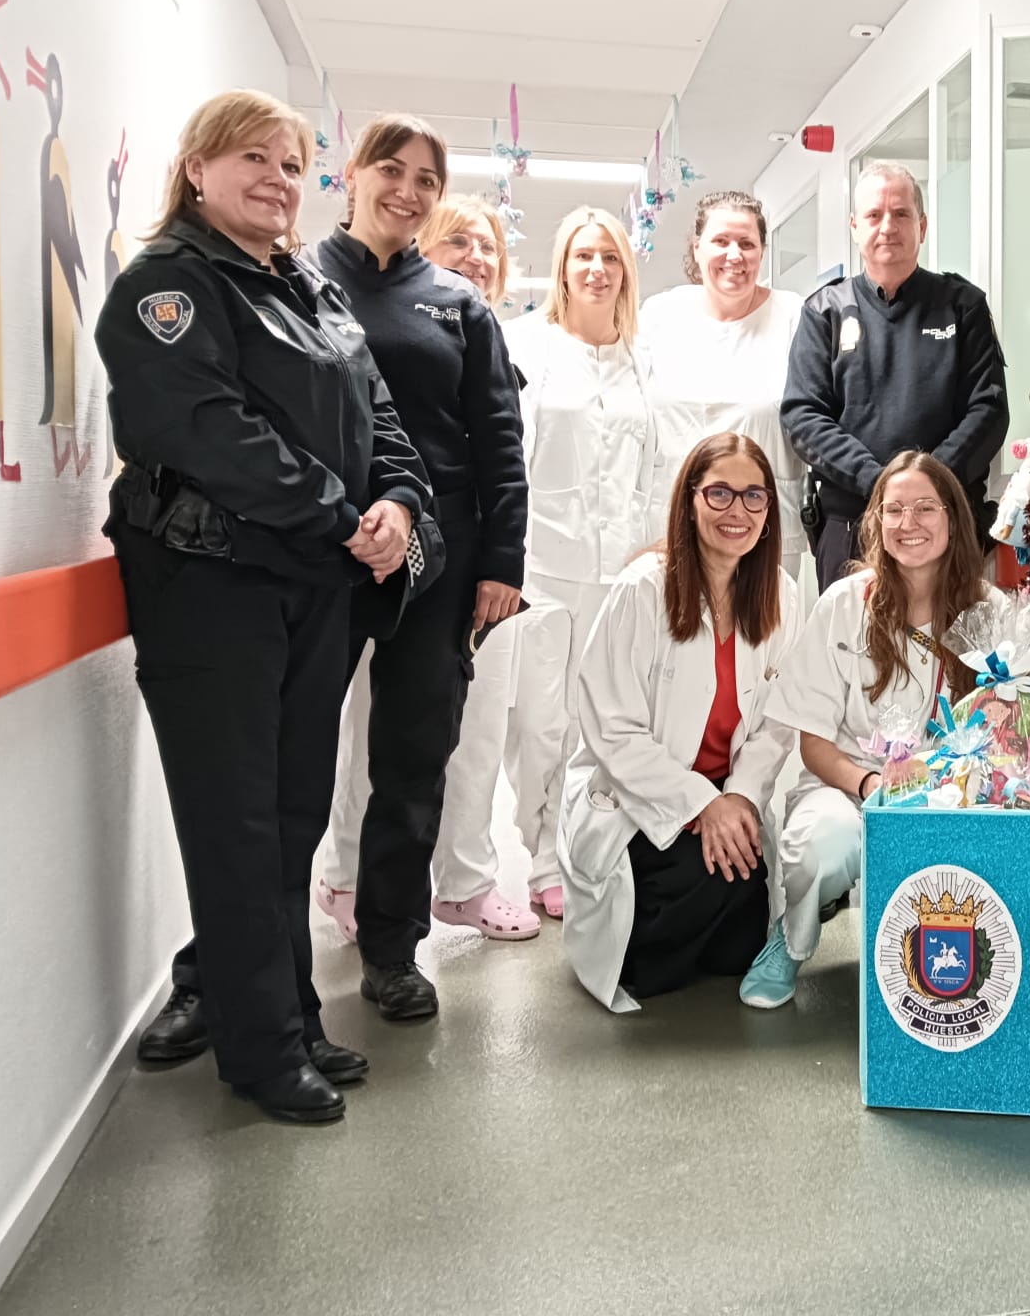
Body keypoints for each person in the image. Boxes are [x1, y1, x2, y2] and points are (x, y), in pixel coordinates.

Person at [102, 89, 428, 1124]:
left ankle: (290, 1015)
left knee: (290, 821)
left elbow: (384, 422)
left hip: (312, 588)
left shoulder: (309, 293)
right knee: (238, 827)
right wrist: (345, 518)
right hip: (212, 589)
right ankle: (256, 1052)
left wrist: (396, 508)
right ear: (196, 170)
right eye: (252, 158)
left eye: (291, 164)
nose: (276, 179)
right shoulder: (169, 291)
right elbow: (213, 435)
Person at [308, 114, 528, 1023]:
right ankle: (264, 943)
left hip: (439, 567)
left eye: (426, 179)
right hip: (318, 555)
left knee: (412, 758)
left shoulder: (458, 305)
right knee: (291, 759)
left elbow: (498, 445)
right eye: (390, 170)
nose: (406, 190)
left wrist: (500, 564)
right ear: (352, 174)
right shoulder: (298, 281)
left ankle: (394, 948)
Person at [743, 452, 999, 1008]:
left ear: (954, 518)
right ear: (876, 523)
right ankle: (790, 941)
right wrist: (868, 786)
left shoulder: (988, 612)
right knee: (823, 846)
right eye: (895, 510)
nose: (909, 525)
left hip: (956, 797)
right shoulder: (843, 604)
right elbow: (813, 743)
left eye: (926, 508)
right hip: (848, 787)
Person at [558, 434, 801, 1011]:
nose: (736, 512)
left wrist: (738, 799)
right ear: (689, 498)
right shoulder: (643, 588)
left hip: (725, 798)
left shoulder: (780, 596)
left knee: (740, 925)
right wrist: (698, 803)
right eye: (719, 493)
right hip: (641, 799)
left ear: (769, 512)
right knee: (694, 883)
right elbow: (611, 728)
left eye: (753, 497)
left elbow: (777, 726)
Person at [504, 206, 658, 920]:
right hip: (541, 564)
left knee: (599, 720)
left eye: (610, 258)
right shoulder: (525, 346)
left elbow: (659, 465)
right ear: (562, 267)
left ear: (626, 270)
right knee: (540, 720)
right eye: (582, 257)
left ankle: (575, 847)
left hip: (619, 568)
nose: (596, 270)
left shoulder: (642, 358)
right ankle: (535, 851)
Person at [782, 163, 1009, 589]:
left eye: (901, 214)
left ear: (922, 226)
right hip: (852, 524)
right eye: (874, 215)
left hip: (945, 520)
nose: (888, 226)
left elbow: (989, 410)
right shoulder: (823, 312)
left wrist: (924, 489)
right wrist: (880, 483)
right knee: (849, 648)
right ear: (854, 226)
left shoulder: (963, 306)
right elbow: (804, 415)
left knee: (949, 649)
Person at [639, 190, 809, 581]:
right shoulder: (661, 315)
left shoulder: (793, 316)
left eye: (747, 243)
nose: (734, 255)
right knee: (675, 637)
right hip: (675, 525)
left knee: (761, 637)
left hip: (763, 531)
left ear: (762, 252)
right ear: (697, 248)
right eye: (721, 241)